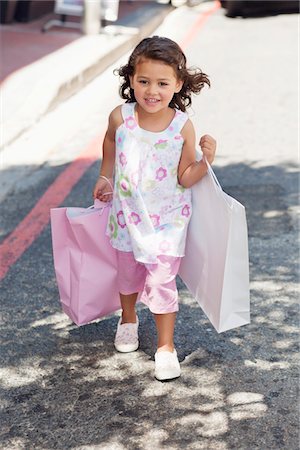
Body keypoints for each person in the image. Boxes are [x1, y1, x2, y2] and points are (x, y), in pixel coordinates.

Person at [93, 36, 216, 381]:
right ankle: (128, 318)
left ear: (178, 84)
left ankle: (166, 346)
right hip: (127, 217)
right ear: (131, 79)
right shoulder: (121, 118)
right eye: (143, 81)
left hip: (168, 222)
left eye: (162, 83)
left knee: (163, 282)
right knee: (128, 276)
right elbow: (108, 143)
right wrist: (105, 176)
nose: (151, 91)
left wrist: (206, 161)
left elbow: (186, 175)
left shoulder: (182, 126)